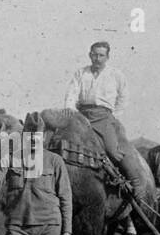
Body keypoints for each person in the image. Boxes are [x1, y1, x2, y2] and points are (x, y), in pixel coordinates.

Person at [62, 41, 146, 190]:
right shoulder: (81, 73)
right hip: (82, 115)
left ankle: (134, 183)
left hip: (103, 116)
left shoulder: (115, 74)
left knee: (113, 150)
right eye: (94, 55)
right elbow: (72, 92)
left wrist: (115, 114)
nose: (97, 58)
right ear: (90, 55)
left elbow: (124, 97)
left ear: (107, 57)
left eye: (101, 55)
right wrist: (69, 107)